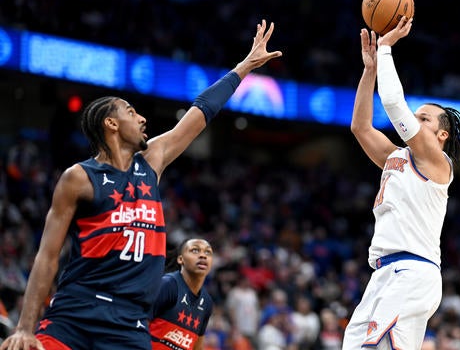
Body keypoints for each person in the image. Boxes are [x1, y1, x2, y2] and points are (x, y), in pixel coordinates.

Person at [0, 19, 282, 350]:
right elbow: (47, 257)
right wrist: (24, 327)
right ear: (111, 123)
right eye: (132, 113)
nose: (143, 119)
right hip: (74, 314)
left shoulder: (152, 162)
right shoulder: (78, 177)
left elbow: (201, 111)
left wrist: (244, 67)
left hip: (128, 321)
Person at [343, 16, 460, 349]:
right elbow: (360, 126)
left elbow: (394, 104)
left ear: (441, 134)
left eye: (423, 119)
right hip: (383, 273)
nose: (414, 122)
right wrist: (369, 69)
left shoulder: (437, 162)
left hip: (414, 272)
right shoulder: (394, 156)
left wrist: (385, 50)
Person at [149, 238, 214, 350]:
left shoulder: (207, 302)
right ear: (180, 259)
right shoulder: (168, 285)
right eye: (195, 250)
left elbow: (197, 347)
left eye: (208, 252)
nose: (203, 255)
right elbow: (139, 324)